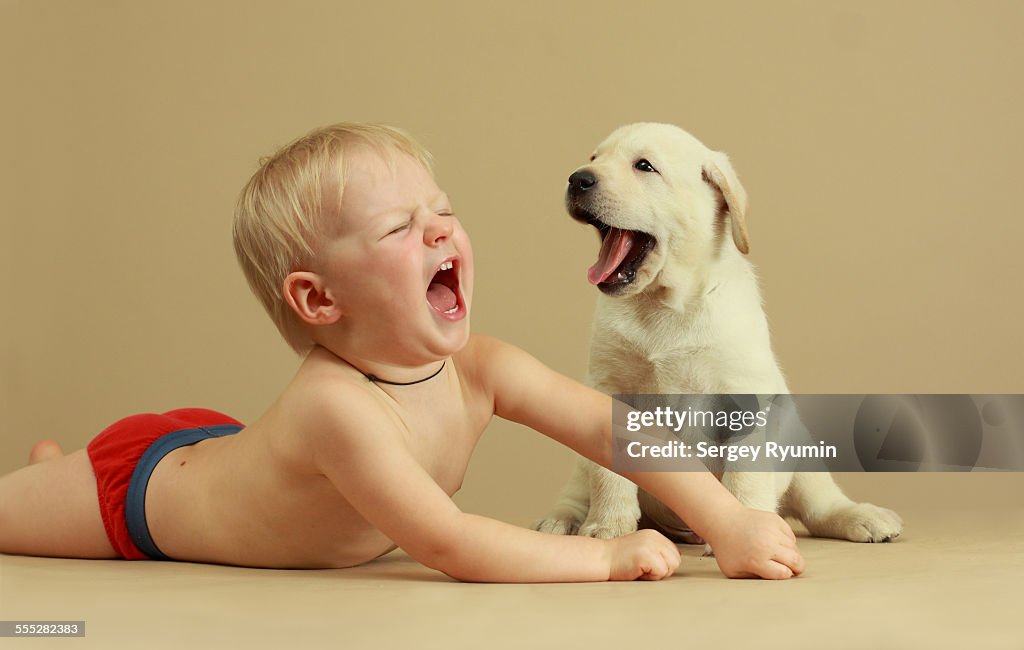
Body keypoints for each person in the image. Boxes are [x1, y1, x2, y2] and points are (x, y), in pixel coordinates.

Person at [0, 123, 804, 582]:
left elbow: (610, 429)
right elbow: (448, 541)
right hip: (137, 490)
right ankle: (56, 473)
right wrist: (606, 559)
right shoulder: (336, 410)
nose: (441, 231)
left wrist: (727, 520)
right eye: (398, 229)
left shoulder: (482, 366)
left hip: (217, 448)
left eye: (442, 211)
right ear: (321, 301)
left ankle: (52, 465)